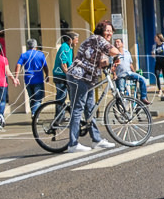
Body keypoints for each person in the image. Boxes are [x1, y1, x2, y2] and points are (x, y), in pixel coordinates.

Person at [66, 21, 121, 153]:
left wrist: (110, 63)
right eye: (108, 30)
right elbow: (113, 50)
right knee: (78, 108)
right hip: (79, 76)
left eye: (111, 31)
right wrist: (119, 53)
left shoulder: (98, 44)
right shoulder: (97, 39)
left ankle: (96, 140)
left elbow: (102, 61)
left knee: (90, 109)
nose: (110, 33)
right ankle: (73, 144)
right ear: (101, 31)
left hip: (88, 79)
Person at [15, 38, 49, 116]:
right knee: (38, 99)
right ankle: (34, 113)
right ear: (36, 46)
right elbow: (45, 66)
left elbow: (18, 65)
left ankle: (34, 113)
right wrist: (47, 75)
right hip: (38, 80)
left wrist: (16, 77)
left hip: (28, 80)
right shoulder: (40, 54)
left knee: (32, 98)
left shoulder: (24, 55)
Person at [113, 37, 150, 105]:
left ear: (122, 44)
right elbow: (112, 66)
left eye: (118, 42)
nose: (116, 43)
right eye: (115, 42)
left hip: (129, 72)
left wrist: (134, 72)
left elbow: (130, 64)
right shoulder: (114, 53)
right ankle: (123, 106)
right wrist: (114, 75)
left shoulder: (127, 52)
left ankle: (143, 97)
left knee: (142, 79)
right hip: (120, 75)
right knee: (121, 91)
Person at [52, 33, 73, 106]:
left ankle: (69, 114)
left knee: (70, 94)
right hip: (60, 75)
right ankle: (59, 116)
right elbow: (63, 63)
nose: (77, 42)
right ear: (70, 40)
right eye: (76, 40)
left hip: (64, 74)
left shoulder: (69, 48)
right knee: (61, 96)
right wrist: (69, 75)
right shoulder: (65, 47)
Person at [152, 33, 164, 97]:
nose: (155, 39)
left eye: (156, 38)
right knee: (156, 74)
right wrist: (153, 54)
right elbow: (154, 54)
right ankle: (159, 90)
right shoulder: (154, 46)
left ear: (159, 38)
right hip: (158, 62)